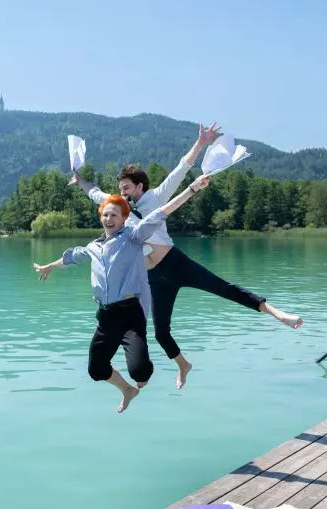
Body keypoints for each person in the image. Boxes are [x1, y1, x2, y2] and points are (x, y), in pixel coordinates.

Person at [70, 123, 303, 390]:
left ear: (140, 186)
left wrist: (201, 143)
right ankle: (183, 365)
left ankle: (277, 313)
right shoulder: (120, 210)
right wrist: (80, 181)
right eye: (120, 188)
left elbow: (182, 168)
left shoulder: (156, 198)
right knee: (160, 332)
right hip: (153, 277)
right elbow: (94, 193)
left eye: (126, 187)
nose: (121, 192)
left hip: (175, 263)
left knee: (223, 288)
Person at [32, 174, 214, 413]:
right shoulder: (94, 247)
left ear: (123, 218)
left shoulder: (133, 236)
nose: (109, 218)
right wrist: (50, 266)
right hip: (106, 317)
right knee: (96, 369)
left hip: (130, 315)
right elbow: (71, 257)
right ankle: (127, 390)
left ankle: (142, 373)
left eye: (114, 215)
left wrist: (192, 189)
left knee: (140, 372)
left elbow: (162, 212)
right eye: (105, 214)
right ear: (101, 218)